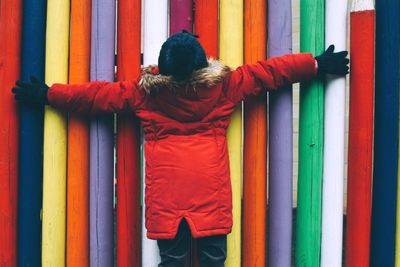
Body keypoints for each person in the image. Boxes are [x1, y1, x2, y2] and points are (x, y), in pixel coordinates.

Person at [12, 31, 349, 267]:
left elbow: (97, 96)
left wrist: (47, 94)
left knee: (172, 260)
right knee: (214, 260)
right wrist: (316, 64)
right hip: (211, 190)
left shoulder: (145, 93)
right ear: (202, 65)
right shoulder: (223, 86)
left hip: (167, 193)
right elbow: (268, 74)